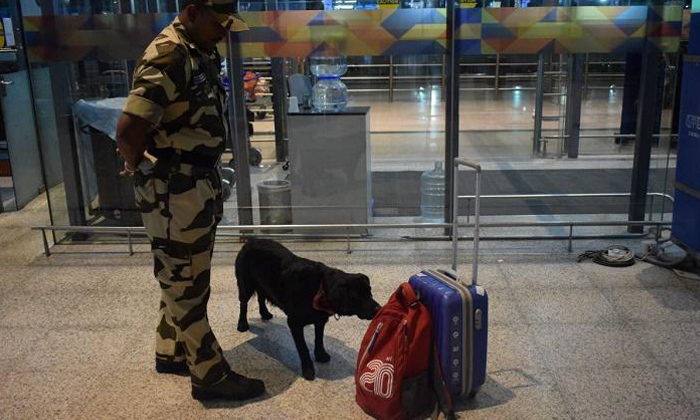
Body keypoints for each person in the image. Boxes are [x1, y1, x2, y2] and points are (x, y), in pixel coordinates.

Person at [116, 0, 265, 401]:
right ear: (193, 11)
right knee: (187, 283)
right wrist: (141, 167)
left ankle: (171, 350)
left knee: (182, 273)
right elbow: (129, 129)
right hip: (174, 189)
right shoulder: (168, 54)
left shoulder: (198, 48)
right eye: (218, 22)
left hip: (194, 184)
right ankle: (210, 375)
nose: (224, 31)